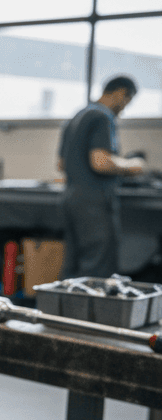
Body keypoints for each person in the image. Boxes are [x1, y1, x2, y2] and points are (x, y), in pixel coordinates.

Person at [58, 75, 144, 278]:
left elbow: (61, 164)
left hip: (71, 198)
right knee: (97, 267)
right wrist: (132, 166)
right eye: (128, 101)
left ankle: (64, 300)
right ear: (121, 93)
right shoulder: (103, 117)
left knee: (72, 265)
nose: (125, 108)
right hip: (94, 201)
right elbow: (101, 162)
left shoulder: (75, 117)